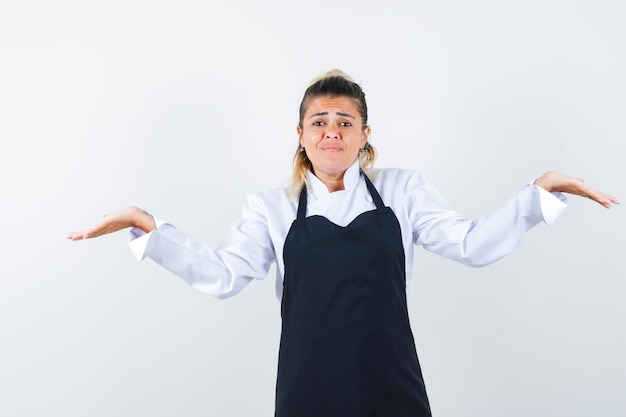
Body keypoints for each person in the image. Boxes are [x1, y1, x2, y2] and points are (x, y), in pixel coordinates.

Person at [69, 69, 618, 417]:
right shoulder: (270, 206)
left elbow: (472, 245)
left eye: (345, 121)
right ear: (302, 135)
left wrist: (537, 195)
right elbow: (223, 276)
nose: (332, 130)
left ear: (364, 134)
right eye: (319, 121)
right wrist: (147, 226)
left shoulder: (404, 190)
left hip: (391, 383)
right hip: (308, 386)